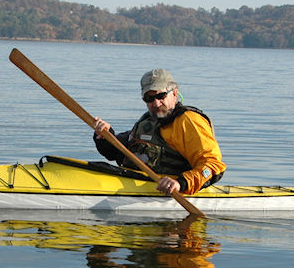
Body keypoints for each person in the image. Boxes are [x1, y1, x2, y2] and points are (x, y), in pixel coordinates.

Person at [92, 69, 226, 196]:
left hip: (175, 191)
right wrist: (104, 136)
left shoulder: (188, 121)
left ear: (174, 93)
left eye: (161, 96)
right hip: (135, 182)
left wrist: (181, 183)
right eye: (149, 99)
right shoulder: (148, 122)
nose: (156, 103)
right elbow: (119, 152)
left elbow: (213, 165)